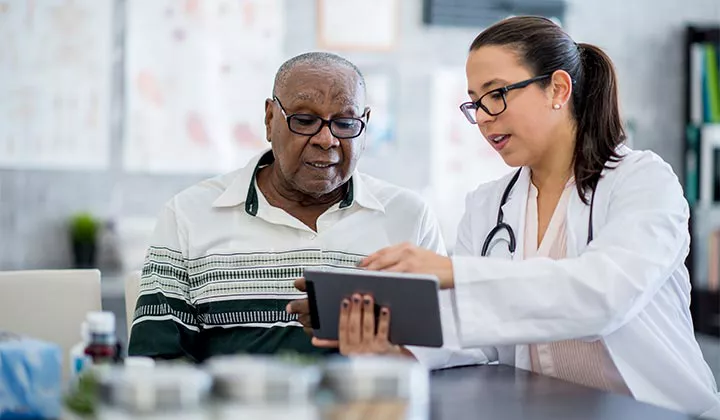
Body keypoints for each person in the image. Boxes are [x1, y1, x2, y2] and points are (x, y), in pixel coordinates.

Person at [309, 16, 720, 418]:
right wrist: (391, 341)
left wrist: (454, 271)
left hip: (657, 411)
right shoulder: (488, 205)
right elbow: (473, 334)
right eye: (475, 102)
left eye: (497, 94)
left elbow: (604, 296)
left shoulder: (643, 181)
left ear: (557, 89)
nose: (484, 116)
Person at [127, 52, 447, 362]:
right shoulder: (188, 215)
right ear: (269, 119)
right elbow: (157, 361)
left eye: (346, 123)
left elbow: (446, 354)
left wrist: (386, 352)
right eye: (305, 121)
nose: (326, 139)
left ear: (365, 125)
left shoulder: (409, 217)